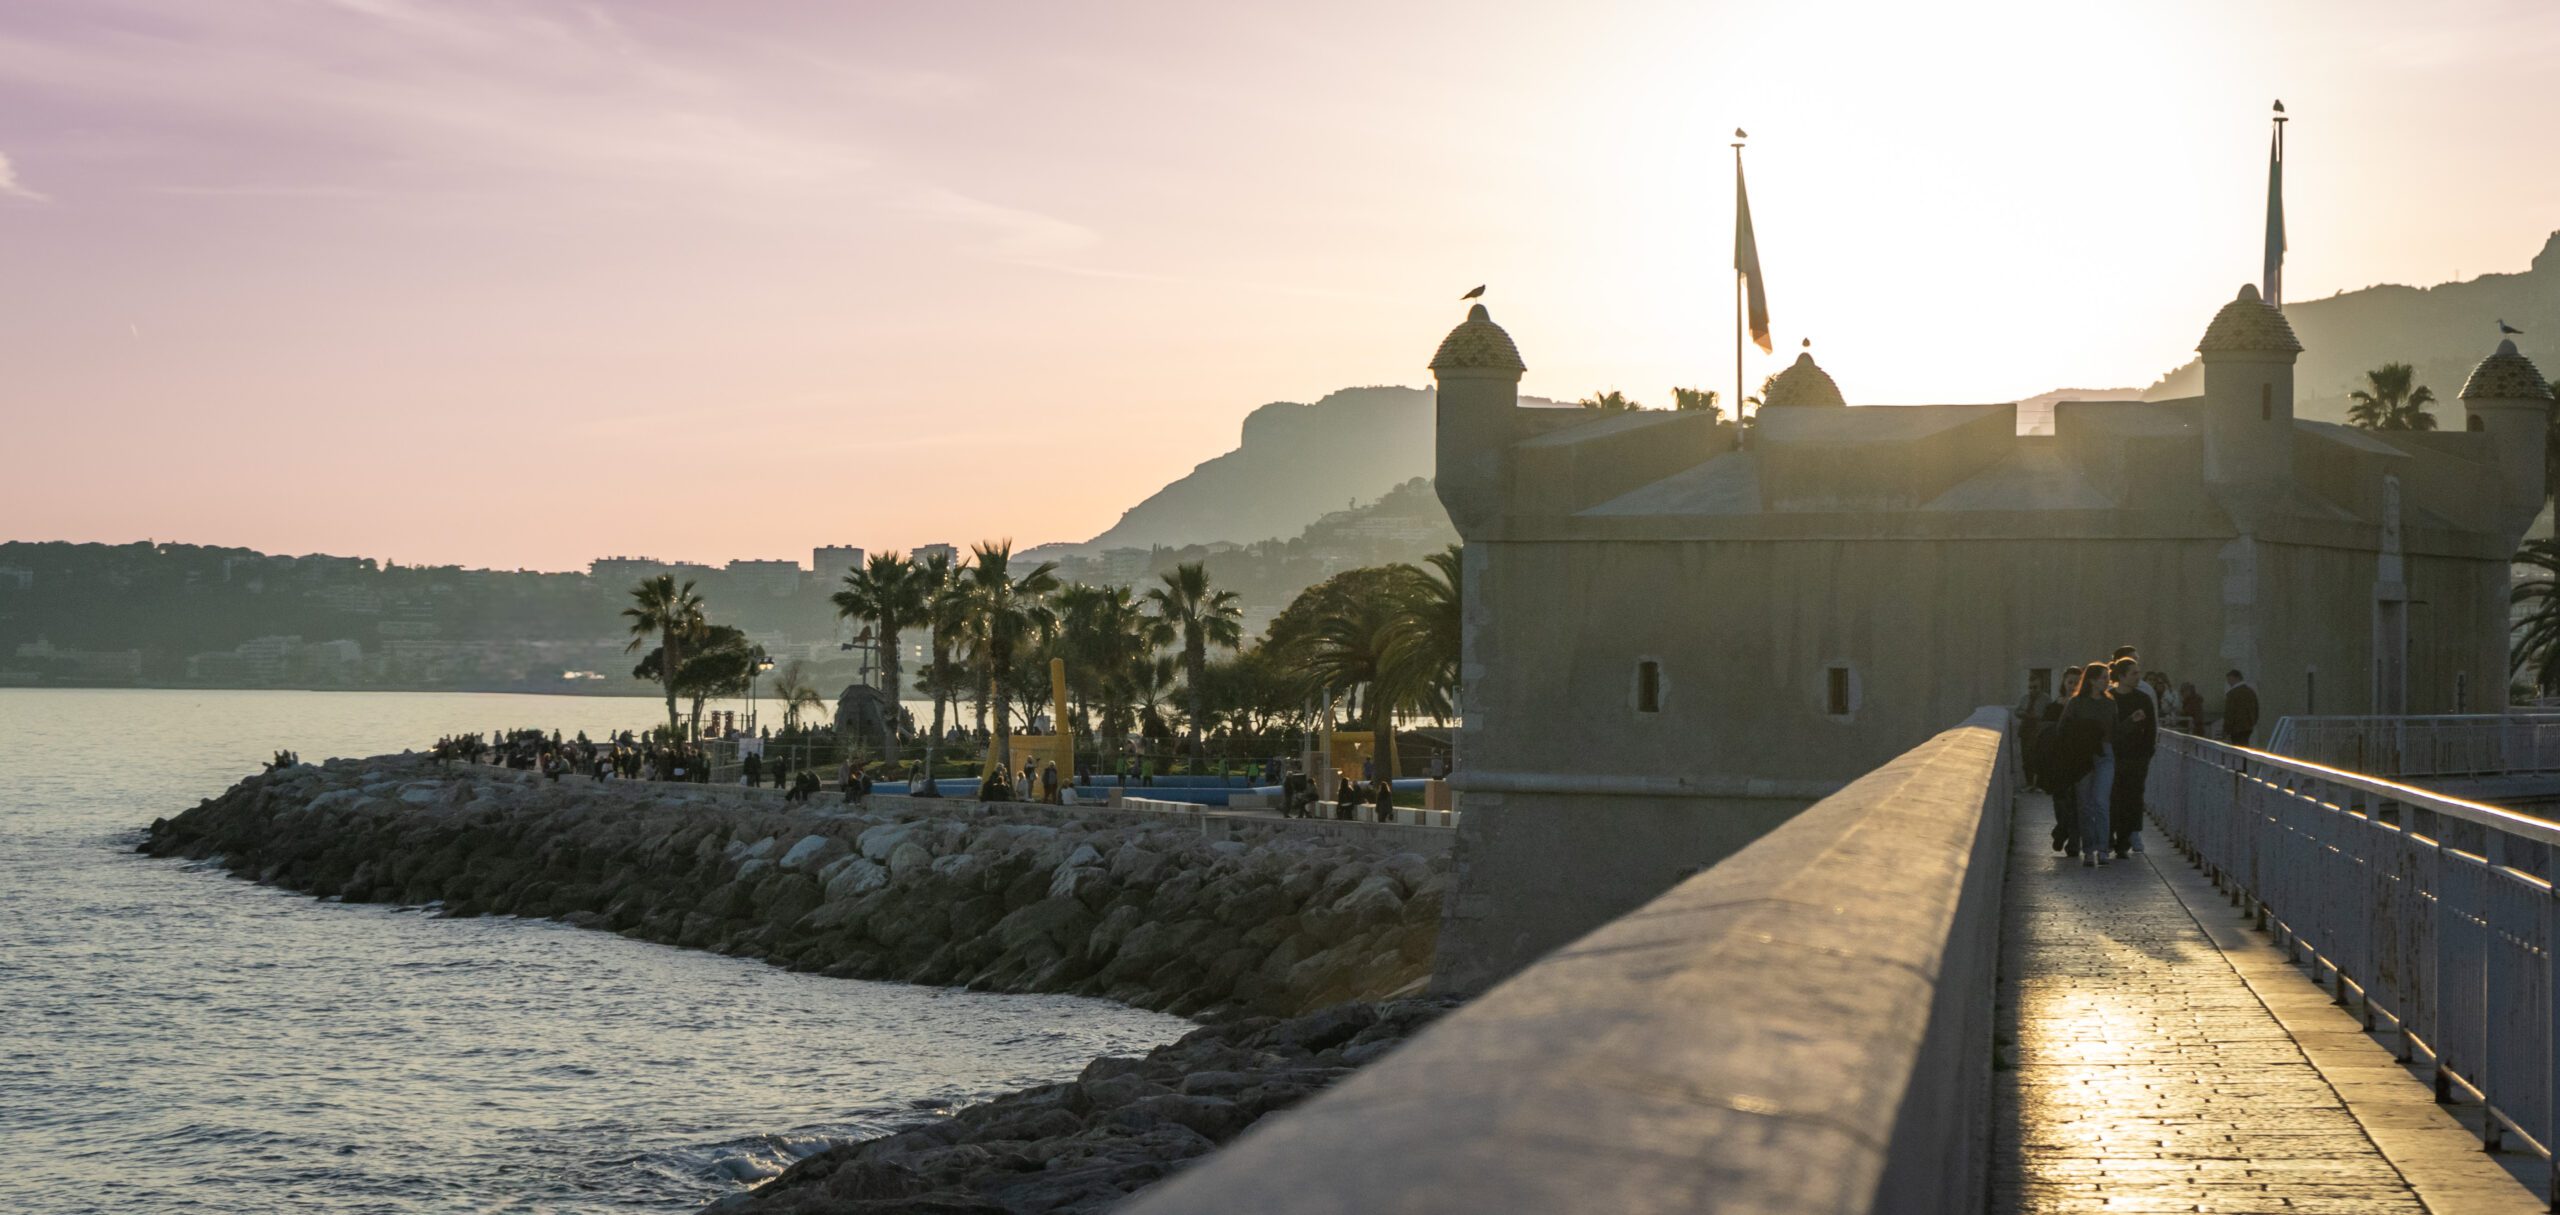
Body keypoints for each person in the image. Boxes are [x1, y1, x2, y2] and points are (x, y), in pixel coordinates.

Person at [2057, 662, 2116, 866]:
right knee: (2084, 805)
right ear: (2092, 680)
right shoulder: (2076, 703)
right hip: (2082, 757)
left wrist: (2131, 723)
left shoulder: (2110, 704)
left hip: (2105, 754)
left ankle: (2103, 849)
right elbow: (2062, 728)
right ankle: (2089, 849)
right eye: (2103, 677)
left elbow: (2115, 732)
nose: (2107, 681)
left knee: (2101, 802)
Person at [2108, 657, 2157, 857]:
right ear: (2121, 676)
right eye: (2134, 673)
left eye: (2138, 673)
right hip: (2113, 757)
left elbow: (2151, 729)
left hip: (2136, 758)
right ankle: (2109, 836)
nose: (2138, 677)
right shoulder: (2109, 699)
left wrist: (2146, 753)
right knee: (2112, 797)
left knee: (2132, 799)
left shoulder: (2143, 699)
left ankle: (2124, 841)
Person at [2014, 672, 2054, 791]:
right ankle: (2029, 783)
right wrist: (2025, 714)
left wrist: (2037, 717)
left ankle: (2039, 784)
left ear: (2040, 687)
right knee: (2026, 759)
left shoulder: (2046, 699)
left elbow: (2049, 714)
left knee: (2038, 758)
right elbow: (2017, 711)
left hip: (2039, 731)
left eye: (2035, 687)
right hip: (2026, 731)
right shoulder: (2025, 698)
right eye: (2030, 687)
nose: (2032, 690)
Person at [2222, 670, 2259, 745]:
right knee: (2244, 746)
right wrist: (2252, 722)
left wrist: (2226, 729)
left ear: (2236, 678)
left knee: (2237, 749)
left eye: (2229, 679)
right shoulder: (2250, 692)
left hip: (2236, 727)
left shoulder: (2232, 694)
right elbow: (2256, 709)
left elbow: (2230, 713)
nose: (2229, 682)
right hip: (2248, 726)